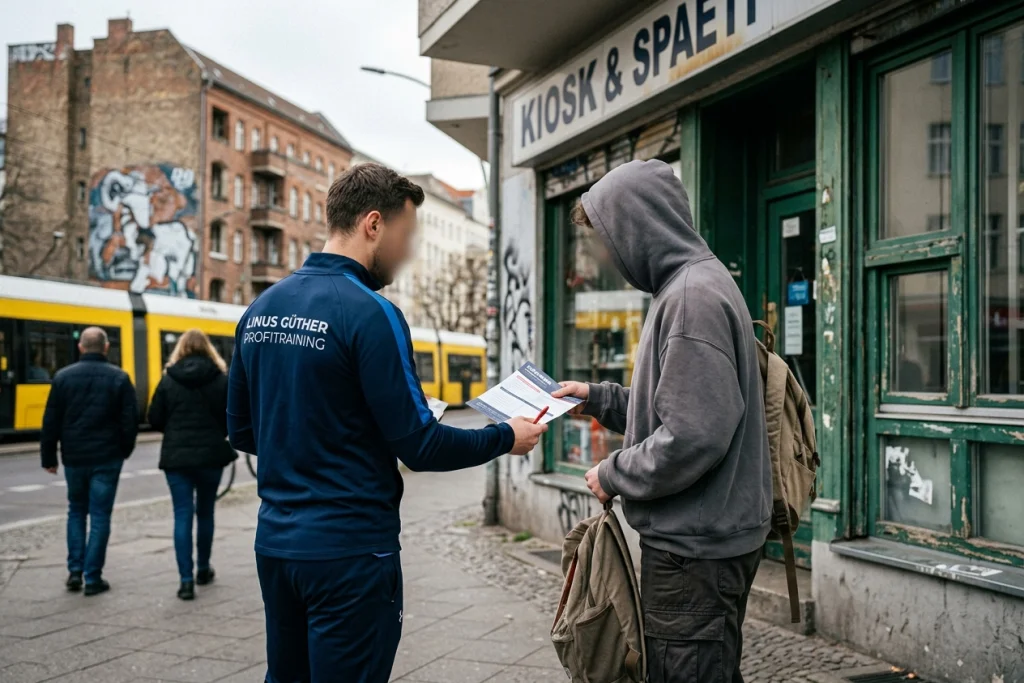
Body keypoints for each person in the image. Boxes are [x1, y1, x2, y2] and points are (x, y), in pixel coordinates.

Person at [227, 162, 547, 683]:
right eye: (407, 235)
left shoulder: (261, 309)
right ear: (373, 224)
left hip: (277, 547)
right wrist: (506, 436)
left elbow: (243, 432)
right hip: (351, 552)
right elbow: (420, 446)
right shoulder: (371, 312)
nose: (408, 251)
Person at [553, 160, 772, 683]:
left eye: (607, 239)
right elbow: (679, 406)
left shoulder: (691, 298)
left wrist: (613, 473)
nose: (607, 255)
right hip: (702, 542)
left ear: (638, 228)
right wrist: (601, 399)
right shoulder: (691, 285)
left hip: (694, 553)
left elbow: (693, 434)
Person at [40, 326, 138, 597]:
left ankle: (74, 571)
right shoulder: (119, 378)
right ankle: (93, 577)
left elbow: (51, 422)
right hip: (107, 457)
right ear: (106, 348)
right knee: (100, 515)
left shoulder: (62, 377)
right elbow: (130, 421)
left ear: (81, 347)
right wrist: (123, 451)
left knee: (75, 511)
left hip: (74, 457)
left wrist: (49, 457)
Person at [148, 329, 237, 601]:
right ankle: (203, 569)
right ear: (209, 349)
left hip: (176, 458)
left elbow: (154, 418)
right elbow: (231, 417)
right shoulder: (221, 379)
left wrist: (174, 431)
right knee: (206, 512)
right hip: (211, 456)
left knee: (182, 514)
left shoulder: (169, 379)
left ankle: (185, 581)